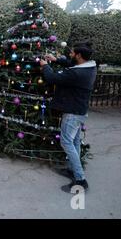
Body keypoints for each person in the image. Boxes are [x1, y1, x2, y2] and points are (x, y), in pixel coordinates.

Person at [39, 42, 97, 194]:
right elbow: (71, 63)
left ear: (79, 55)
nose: (70, 55)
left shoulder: (77, 73)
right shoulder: (89, 66)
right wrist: (55, 59)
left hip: (73, 112)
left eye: (72, 53)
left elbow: (52, 78)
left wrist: (45, 65)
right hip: (80, 110)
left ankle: (80, 180)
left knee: (66, 142)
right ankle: (72, 170)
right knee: (75, 141)